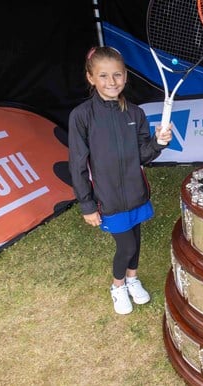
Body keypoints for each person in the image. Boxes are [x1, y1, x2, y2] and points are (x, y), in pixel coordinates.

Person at [68, 46, 172, 315]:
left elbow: (144, 155)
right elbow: (78, 163)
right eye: (103, 76)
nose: (111, 82)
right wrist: (87, 204)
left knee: (135, 241)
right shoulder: (81, 116)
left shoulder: (135, 113)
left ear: (125, 76)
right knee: (125, 245)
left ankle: (132, 279)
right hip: (108, 198)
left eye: (117, 75)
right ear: (91, 78)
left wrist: (158, 143)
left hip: (136, 193)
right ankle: (117, 286)